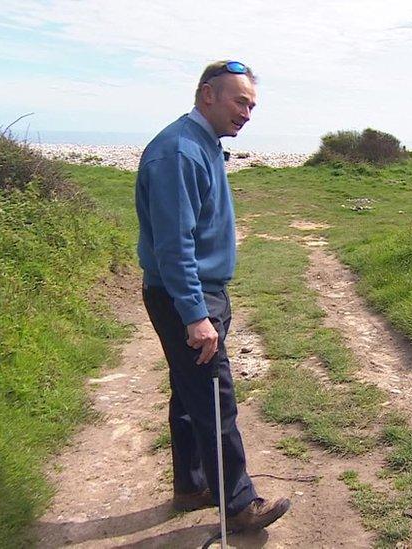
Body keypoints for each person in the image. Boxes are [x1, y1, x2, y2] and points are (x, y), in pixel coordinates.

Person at [135, 60, 290, 532]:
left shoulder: (204, 143)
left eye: (252, 105)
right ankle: (239, 505)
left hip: (199, 290)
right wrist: (196, 314)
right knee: (213, 396)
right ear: (208, 95)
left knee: (190, 391)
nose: (247, 113)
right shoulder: (179, 152)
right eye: (239, 102)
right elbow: (174, 244)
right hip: (188, 293)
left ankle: (193, 484)